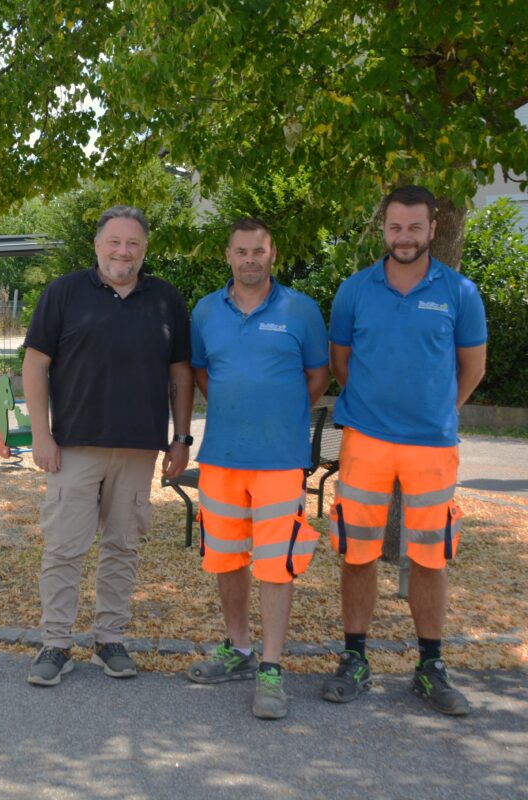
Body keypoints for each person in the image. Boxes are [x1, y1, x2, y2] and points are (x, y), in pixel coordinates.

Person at [323, 185, 487, 716]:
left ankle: (431, 665)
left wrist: (434, 411)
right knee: (357, 550)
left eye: (415, 227)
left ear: (433, 228)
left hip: (431, 447)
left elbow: (472, 369)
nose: (404, 237)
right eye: (395, 227)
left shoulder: (460, 292)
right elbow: (341, 363)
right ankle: (355, 658)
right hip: (365, 441)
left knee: (430, 556)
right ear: (383, 229)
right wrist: (379, 410)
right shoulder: (354, 289)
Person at [21, 205, 194, 686]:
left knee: (123, 547)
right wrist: (41, 433)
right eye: (114, 242)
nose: (124, 251)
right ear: (97, 245)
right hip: (74, 445)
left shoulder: (166, 300)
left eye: (133, 243)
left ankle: (109, 639)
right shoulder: (64, 293)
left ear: (145, 249)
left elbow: (180, 373)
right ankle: (56, 644)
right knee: (63, 548)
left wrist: (180, 438)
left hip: (139, 449)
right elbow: (35, 365)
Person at [183, 218, 329, 719]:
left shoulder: (300, 310)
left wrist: (281, 414)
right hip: (221, 457)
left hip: (280, 461)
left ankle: (271, 667)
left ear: (273, 254)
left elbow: (318, 375)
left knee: (276, 563)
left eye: (259, 251)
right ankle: (240, 649)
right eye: (241, 251)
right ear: (227, 255)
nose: (250, 259)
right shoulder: (205, 311)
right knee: (224, 559)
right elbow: (202, 373)